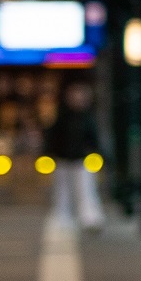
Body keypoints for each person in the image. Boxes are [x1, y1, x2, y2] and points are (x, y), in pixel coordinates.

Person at [45, 79, 104, 231]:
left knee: (85, 189)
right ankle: (62, 220)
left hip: (81, 160)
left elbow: (94, 139)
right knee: (62, 191)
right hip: (63, 158)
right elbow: (53, 136)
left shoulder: (87, 117)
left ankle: (90, 218)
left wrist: (96, 153)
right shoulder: (62, 116)